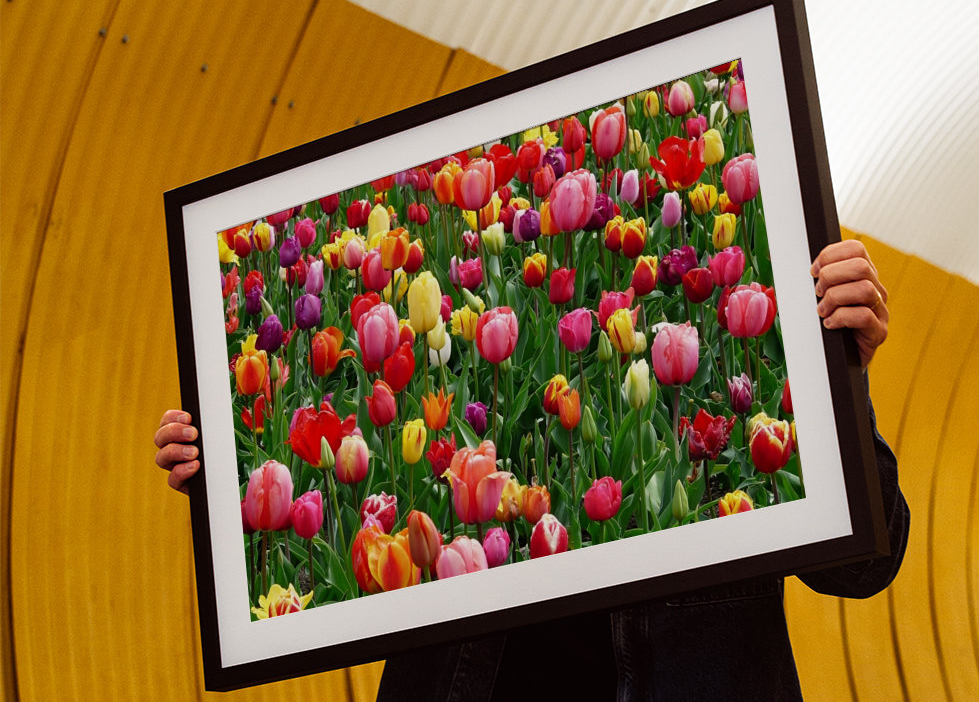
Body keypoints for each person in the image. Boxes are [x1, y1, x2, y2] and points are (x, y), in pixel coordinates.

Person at [155, 240, 908, 701]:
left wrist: (838, 374)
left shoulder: (712, 436)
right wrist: (231, 475)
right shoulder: (478, 460)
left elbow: (867, 565)